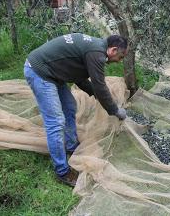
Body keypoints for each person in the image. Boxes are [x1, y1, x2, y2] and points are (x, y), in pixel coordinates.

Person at [23, 33, 128, 187]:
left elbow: (79, 77)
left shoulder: (95, 48)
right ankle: (63, 171)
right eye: (121, 56)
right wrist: (114, 110)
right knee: (56, 122)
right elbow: (100, 86)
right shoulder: (97, 54)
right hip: (40, 72)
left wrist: (96, 94)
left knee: (70, 106)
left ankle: (71, 146)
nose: (120, 61)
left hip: (54, 73)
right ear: (112, 50)